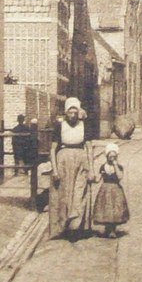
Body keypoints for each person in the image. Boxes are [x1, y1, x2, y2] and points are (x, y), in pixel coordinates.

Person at [47, 97, 94, 240]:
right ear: (66, 112)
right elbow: (53, 149)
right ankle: (61, 227)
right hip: (63, 163)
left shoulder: (84, 126)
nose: (72, 115)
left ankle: (76, 227)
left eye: (75, 112)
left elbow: (90, 148)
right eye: (70, 113)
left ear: (78, 112)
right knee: (62, 195)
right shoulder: (59, 126)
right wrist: (54, 170)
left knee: (79, 193)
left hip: (81, 162)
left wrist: (91, 169)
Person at [90, 144, 130, 238]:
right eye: (110, 156)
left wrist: (115, 165)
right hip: (105, 189)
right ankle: (107, 228)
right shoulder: (103, 167)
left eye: (114, 156)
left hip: (116, 189)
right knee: (105, 208)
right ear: (107, 156)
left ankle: (112, 229)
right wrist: (91, 178)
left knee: (115, 209)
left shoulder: (119, 166)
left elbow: (120, 177)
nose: (112, 158)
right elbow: (98, 179)